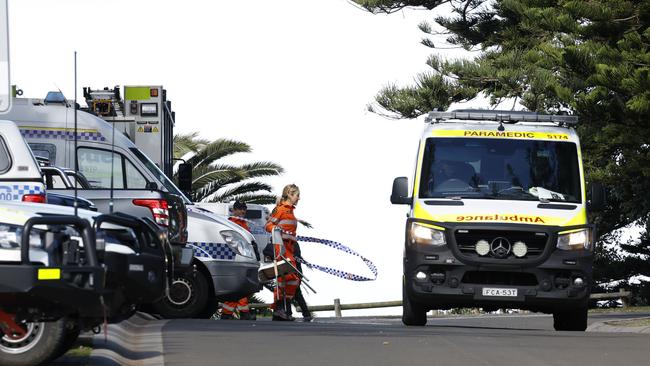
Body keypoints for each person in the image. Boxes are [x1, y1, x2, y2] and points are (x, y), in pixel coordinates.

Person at [265, 184, 302, 321]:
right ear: (290, 194)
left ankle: (281, 309)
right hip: (281, 248)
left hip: (290, 248)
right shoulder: (280, 209)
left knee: (292, 280)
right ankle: (279, 309)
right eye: (297, 195)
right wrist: (277, 230)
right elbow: (268, 225)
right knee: (285, 278)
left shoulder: (291, 211)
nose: (299, 198)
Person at [221, 200, 255, 320]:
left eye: (244, 209)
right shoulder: (230, 223)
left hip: (244, 258)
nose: (243, 211)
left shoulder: (244, 223)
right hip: (235, 258)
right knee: (239, 286)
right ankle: (240, 313)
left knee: (241, 286)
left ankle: (229, 313)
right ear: (234, 210)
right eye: (240, 209)